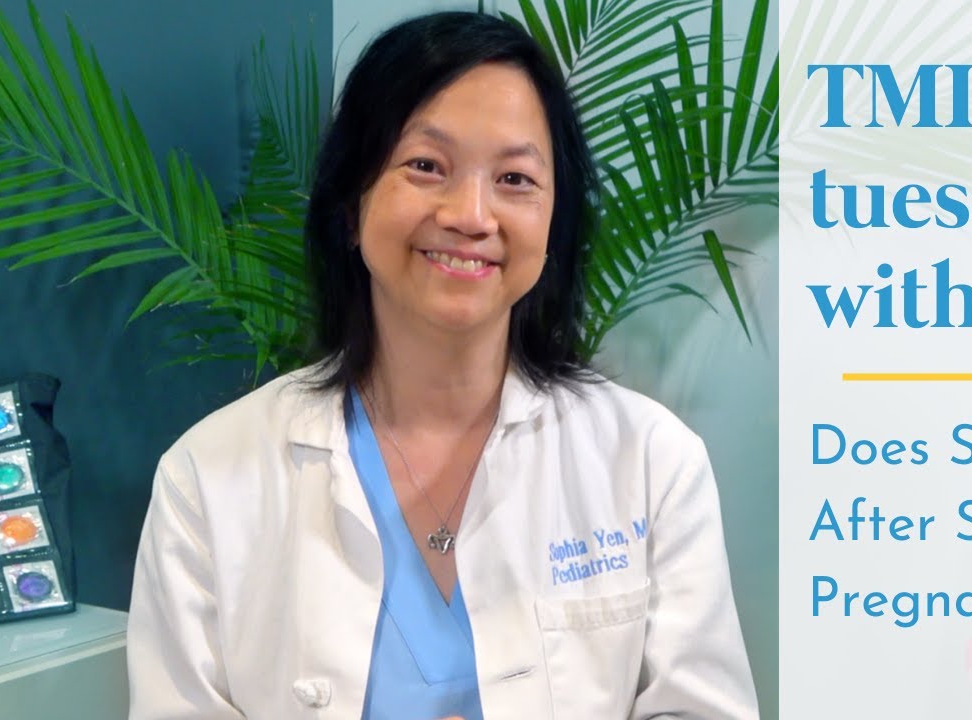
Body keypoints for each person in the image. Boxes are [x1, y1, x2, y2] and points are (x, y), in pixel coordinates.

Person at [125, 10, 758, 720]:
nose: (471, 215)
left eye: (515, 178)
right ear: (351, 203)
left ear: (554, 223)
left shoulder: (649, 461)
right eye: (426, 166)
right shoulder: (209, 477)